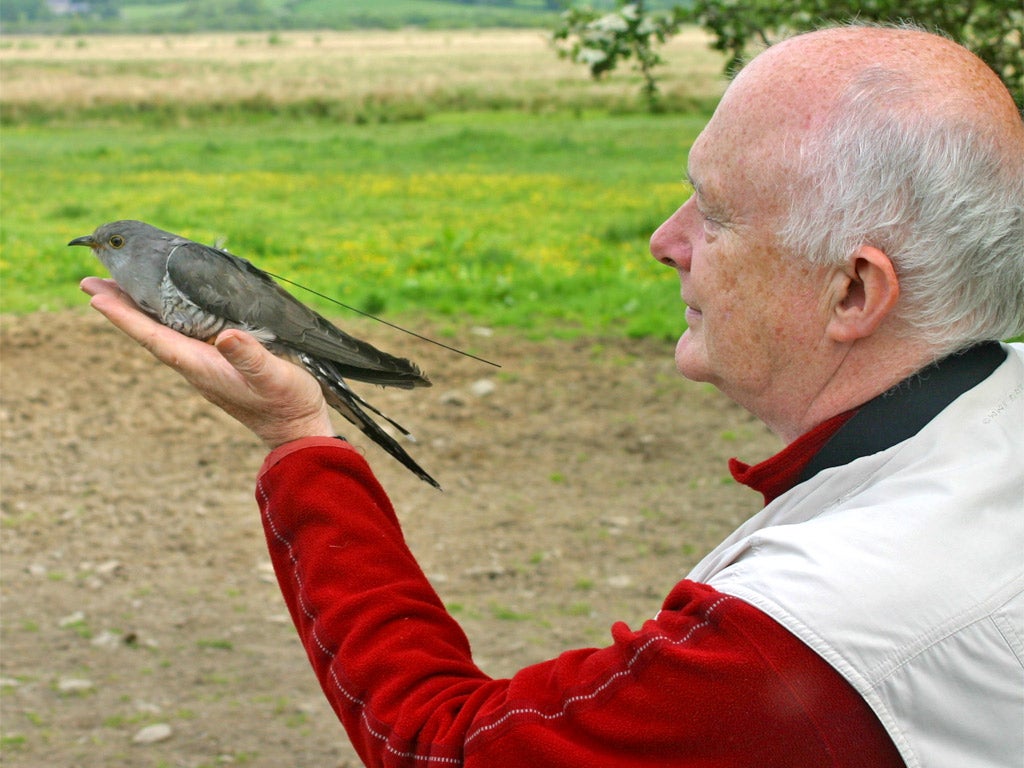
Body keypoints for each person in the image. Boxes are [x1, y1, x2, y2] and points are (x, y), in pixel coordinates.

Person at [82, 24, 1023, 768]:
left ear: (854, 292)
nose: (665, 239)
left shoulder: (815, 634)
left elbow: (442, 749)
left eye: (718, 212)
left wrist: (296, 437)